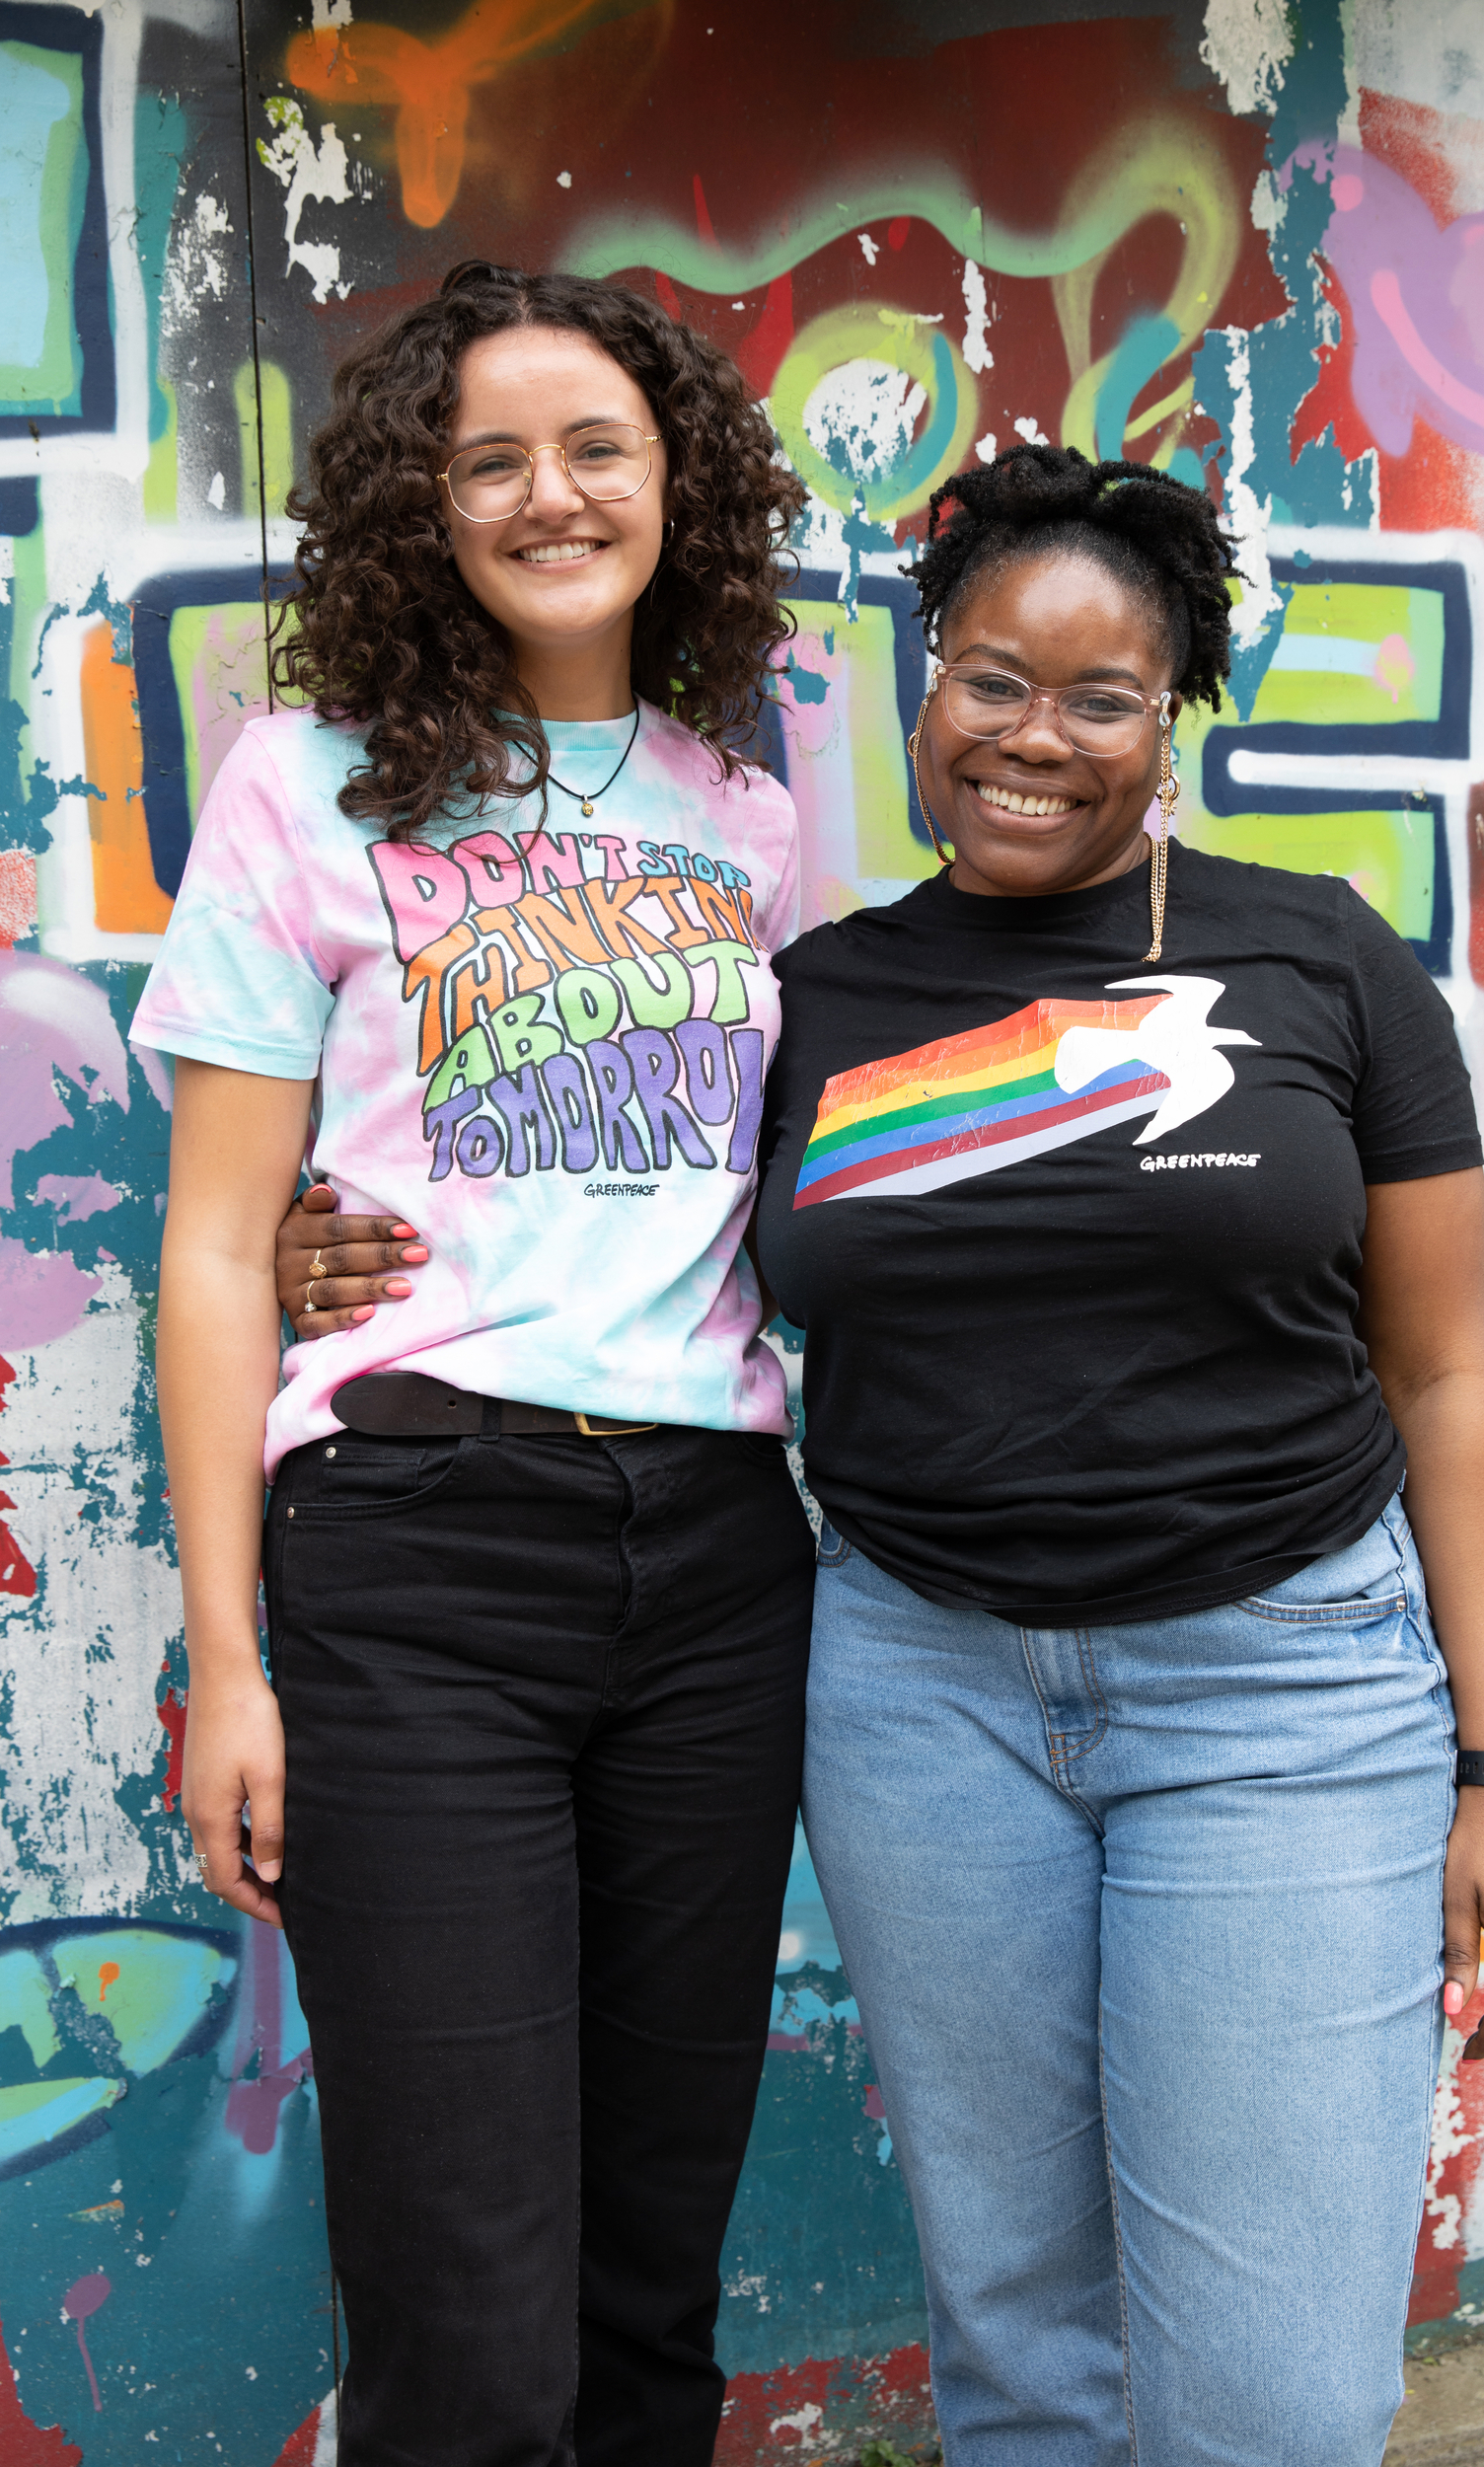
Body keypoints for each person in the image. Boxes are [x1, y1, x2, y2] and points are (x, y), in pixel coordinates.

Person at [276, 444, 1484, 2467]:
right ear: (922, 685)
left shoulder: (1324, 967)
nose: (1031, 737)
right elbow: (589, 1187)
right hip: (920, 1695)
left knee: (1275, 2398)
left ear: (1173, 714)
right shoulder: (816, 996)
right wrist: (314, 1231)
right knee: (1022, 2351)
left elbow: (1433, 1380)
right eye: (988, 678)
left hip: (1282, 1693)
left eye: (1098, 696)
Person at [134, 262, 814, 2467]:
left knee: (648, 2276)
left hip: (717, 1555)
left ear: (675, 482)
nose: (548, 494)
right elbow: (224, 1247)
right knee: (471, 2291)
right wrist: (226, 1659)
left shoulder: (751, 809)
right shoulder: (305, 783)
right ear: (418, 508)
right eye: (488, 458)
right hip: (420, 1550)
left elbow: (780, 1197)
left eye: (596, 446)